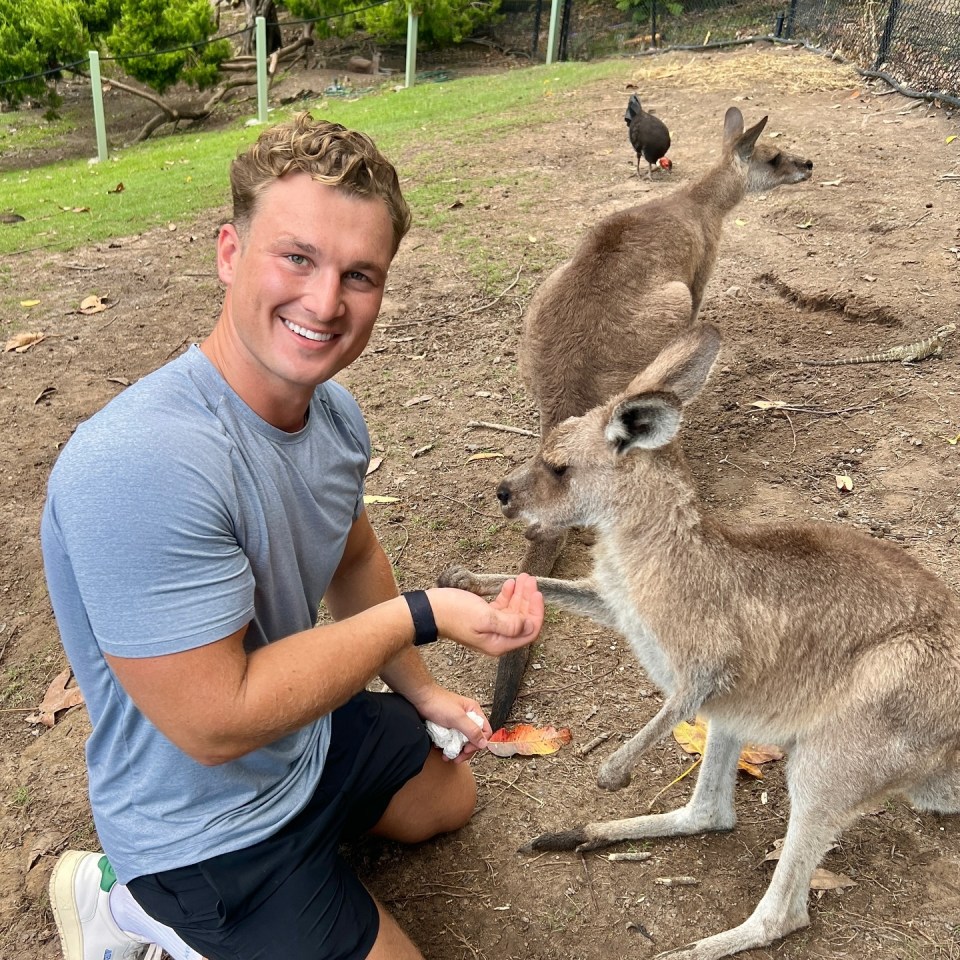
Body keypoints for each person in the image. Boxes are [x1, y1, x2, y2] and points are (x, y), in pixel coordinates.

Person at [40, 112, 544, 960]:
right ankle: (129, 907)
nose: (325, 302)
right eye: (298, 258)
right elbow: (218, 720)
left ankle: (306, 868)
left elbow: (352, 556)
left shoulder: (333, 417)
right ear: (230, 254)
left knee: (445, 799)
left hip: (297, 743)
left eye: (360, 275)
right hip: (200, 826)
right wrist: (422, 615)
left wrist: (419, 692)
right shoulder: (141, 461)